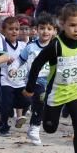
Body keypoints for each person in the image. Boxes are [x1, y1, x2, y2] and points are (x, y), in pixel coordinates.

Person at [22, 3, 77, 153]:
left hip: (75, 90)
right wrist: (30, 88)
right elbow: (36, 64)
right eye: (72, 25)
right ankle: (43, 103)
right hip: (55, 93)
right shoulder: (56, 46)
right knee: (50, 128)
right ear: (62, 24)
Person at [15, 14, 57, 145]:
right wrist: (13, 68)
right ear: (36, 30)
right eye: (42, 28)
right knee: (40, 98)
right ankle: (34, 128)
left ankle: (36, 121)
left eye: (49, 29)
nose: (45, 31)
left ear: (54, 31)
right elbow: (20, 59)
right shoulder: (31, 47)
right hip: (35, 80)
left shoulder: (56, 47)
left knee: (46, 104)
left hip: (51, 80)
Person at [0, 16, 28, 136]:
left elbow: (28, 59)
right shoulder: (2, 44)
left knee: (26, 101)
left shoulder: (23, 45)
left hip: (20, 81)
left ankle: (17, 115)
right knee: (5, 105)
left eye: (16, 29)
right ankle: (3, 127)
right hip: (6, 80)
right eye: (10, 29)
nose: (14, 31)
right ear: (4, 31)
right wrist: (5, 60)